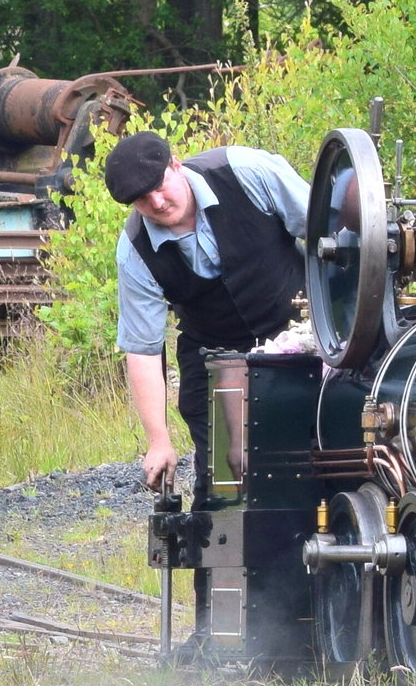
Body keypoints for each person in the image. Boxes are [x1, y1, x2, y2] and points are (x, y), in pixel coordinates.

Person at [107, 132, 311, 492]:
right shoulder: (135, 251)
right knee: (224, 482)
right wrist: (159, 440)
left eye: (159, 186)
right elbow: (142, 349)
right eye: (142, 199)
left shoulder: (245, 171)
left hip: (301, 335)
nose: (157, 202)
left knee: (316, 455)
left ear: (175, 164)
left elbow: (330, 233)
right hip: (215, 356)